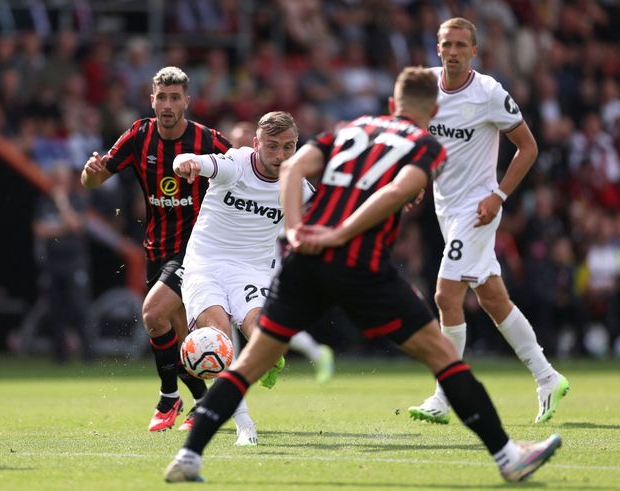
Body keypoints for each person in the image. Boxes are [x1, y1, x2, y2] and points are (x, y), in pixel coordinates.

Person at [164, 66, 562, 484]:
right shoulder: (425, 144)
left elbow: (295, 168)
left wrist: (298, 229)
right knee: (443, 356)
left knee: (249, 362)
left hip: (305, 262)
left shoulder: (353, 128)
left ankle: (190, 455)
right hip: (362, 266)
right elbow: (394, 192)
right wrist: (344, 231)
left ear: (392, 104)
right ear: (433, 113)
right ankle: (507, 456)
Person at [408, 17, 569, 426]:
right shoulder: (426, 86)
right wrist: (417, 179)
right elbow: (420, 138)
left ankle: (444, 396)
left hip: (477, 210)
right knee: (494, 299)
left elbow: (528, 148)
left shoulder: (489, 93)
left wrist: (498, 196)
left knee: (446, 295)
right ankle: (548, 377)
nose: (454, 51)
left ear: (474, 52)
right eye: (448, 44)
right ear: (438, 48)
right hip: (447, 208)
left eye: (462, 45)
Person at [81, 66, 232, 432]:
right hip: (157, 249)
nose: (167, 104)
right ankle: (203, 401)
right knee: (176, 335)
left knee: (151, 314)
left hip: (197, 248)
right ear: (152, 99)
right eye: (161, 97)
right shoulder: (139, 135)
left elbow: (244, 171)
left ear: (186, 102)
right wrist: (91, 171)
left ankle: (168, 397)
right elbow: (91, 181)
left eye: (174, 97)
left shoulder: (208, 140)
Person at [172, 111, 330, 445]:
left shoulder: (298, 187)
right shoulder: (236, 165)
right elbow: (197, 161)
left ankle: (271, 354)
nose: (280, 155)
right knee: (218, 340)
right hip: (205, 264)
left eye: (289, 147)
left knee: (261, 337)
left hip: (252, 271)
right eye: (272, 146)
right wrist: (184, 163)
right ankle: (245, 426)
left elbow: (337, 210)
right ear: (256, 144)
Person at [33, 162, 95, 363]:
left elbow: (76, 225)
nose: (59, 182)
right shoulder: (43, 202)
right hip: (53, 264)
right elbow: (39, 229)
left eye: (62, 178)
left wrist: (62, 203)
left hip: (74, 263)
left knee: (80, 308)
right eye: (56, 178)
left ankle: (89, 354)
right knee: (55, 310)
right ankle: (60, 356)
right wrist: (63, 228)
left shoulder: (77, 200)